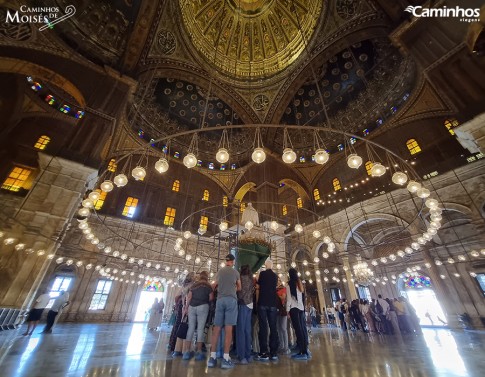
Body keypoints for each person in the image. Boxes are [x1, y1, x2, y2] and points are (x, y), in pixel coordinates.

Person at [208, 254, 241, 369]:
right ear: (233, 261)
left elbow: (213, 285)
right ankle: (226, 358)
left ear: (226, 261)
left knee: (216, 329)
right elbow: (240, 288)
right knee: (228, 330)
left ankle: (212, 358)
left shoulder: (220, 272)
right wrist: (233, 288)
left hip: (220, 300)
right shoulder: (236, 272)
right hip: (231, 300)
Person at [182, 271, 214, 361]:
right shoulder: (208, 285)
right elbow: (211, 298)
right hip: (203, 307)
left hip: (192, 307)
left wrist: (186, 308)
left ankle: (187, 352)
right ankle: (199, 351)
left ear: (200, 276)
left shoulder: (194, 285)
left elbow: (189, 297)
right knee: (200, 329)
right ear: (207, 277)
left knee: (191, 328)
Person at [255, 259, 279, 361]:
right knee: (273, 328)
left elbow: (258, 285)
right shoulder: (275, 276)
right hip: (273, 303)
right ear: (272, 266)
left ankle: (264, 352)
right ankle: (273, 353)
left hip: (263, 303)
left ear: (265, 265)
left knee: (263, 327)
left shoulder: (262, 274)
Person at [286, 268, 308, 360]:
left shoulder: (289, 284)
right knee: (302, 330)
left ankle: (302, 352)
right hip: (301, 309)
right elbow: (302, 296)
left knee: (298, 330)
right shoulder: (299, 284)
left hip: (294, 309)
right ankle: (305, 351)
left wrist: (287, 310)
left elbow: (289, 299)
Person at [236, 264, 254, 364]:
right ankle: (248, 355)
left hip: (243, 304)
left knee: (241, 330)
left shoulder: (241, 278)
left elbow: (239, 290)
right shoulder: (251, 279)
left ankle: (242, 356)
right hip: (250, 304)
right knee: (248, 330)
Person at [276, 277, 290, 354]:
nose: (277, 282)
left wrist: (277, 294)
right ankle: (281, 345)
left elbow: (283, 297)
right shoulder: (275, 289)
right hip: (277, 310)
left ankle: (286, 347)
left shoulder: (283, 289)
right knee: (279, 328)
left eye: (278, 281)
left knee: (283, 328)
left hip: (283, 310)